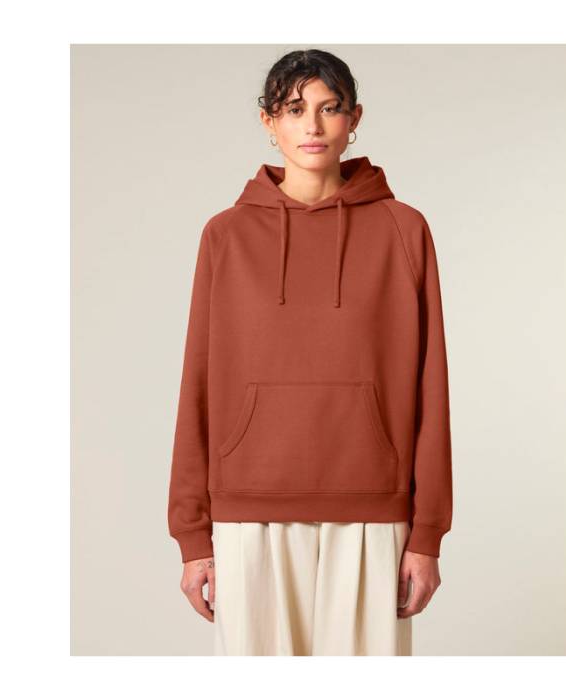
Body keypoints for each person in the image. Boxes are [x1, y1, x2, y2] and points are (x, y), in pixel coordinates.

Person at [167, 48, 453, 656]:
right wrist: (192, 535)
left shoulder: (404, 230)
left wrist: (427, 533)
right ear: (269, 122)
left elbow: (432, 388)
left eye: (330, 108)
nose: (313, 126)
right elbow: (199, 384)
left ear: (355, 119)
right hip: (248, 511)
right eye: (295, 110)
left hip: (373, 512)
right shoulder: (225, 235)